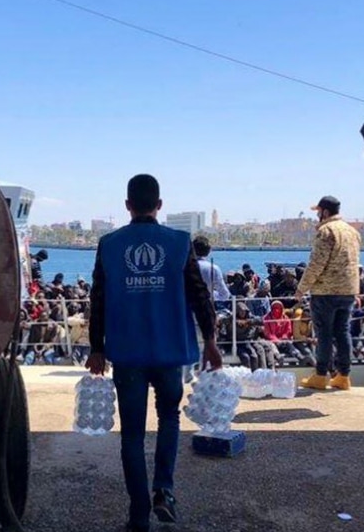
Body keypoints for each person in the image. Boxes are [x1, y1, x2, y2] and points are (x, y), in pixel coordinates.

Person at [87, 174, 221, 532]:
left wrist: (96, 348)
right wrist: (210, 340)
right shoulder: (179, 242)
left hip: (127, 353)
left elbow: (97, 298)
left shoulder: (109, 244)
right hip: (170, 352)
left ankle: (138, 514)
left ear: (127, 205)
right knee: (169, 418)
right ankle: (164, 490)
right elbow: (199, 295)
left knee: (132, 433)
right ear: (159, 205)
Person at [294, 195, 362, 391]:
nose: (317, 215)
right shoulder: (352, 232)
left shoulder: (326, 231)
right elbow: (354, 262)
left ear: (324, 211)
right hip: (348, 290)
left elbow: (316, 264)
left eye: (318, 212)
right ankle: (343, 376)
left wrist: (301, 288)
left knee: (324, 333)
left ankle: (321, 375)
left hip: (326, 291)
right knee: (343, 332)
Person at [192, 236, 231, 308]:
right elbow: (225, 295)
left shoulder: (183, 267)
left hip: (185, 311)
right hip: (205, 310)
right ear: (208, 251)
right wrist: (210, 295)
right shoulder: (214, 269)